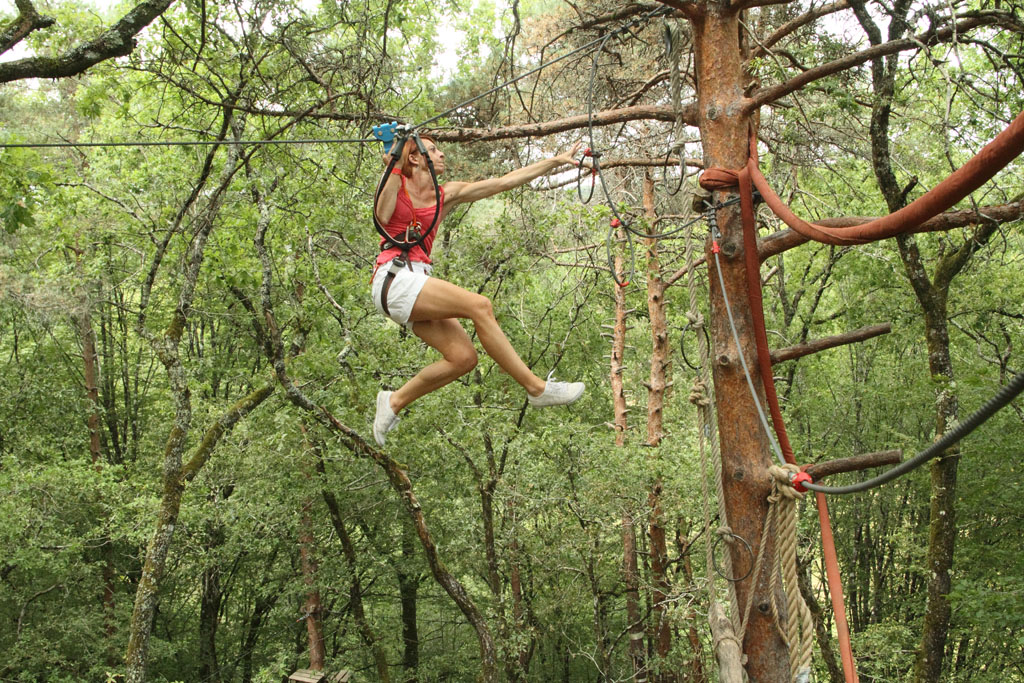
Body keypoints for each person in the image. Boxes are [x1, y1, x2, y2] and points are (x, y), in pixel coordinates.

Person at [370, 135, 585, 446]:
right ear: (414, 158)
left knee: (463, 358)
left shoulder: (446, 194)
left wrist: (554, 161)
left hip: (415, 282)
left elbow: (504, 182)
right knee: (479, 305)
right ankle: (536, 388)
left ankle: (393, 401)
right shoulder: (395, 184)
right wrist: (394, 160)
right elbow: (382, 215)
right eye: (433, 150)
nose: (442, 154)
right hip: (394, 278)